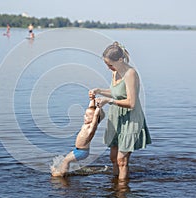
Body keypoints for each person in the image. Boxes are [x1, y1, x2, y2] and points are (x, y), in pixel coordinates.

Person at [89, 41, 151, 180]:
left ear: (120, 60)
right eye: (106, 64)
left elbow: (131, 103)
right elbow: (115, 93)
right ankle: (115, 184)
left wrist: (108, 101)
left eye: (110, 64)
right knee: (113, 158)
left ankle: (122, 191)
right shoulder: (115, 72)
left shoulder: (130, 74)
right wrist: (99, 91)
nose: (109, 67)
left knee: (122, 160)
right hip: (116, 118)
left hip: (130, 119)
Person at [51, 98, 105, 177]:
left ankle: (61, 174)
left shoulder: (91, 128)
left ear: (94, 119)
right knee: (65, 159)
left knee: (66, 161)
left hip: (82, 152)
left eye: (87, 116)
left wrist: (99, 108)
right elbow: (90, 108)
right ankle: (65, 171)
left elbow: (96, 116)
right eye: (85, 115)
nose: (84, 117)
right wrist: (92, 99)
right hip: (77, 150)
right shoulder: (86, 124)